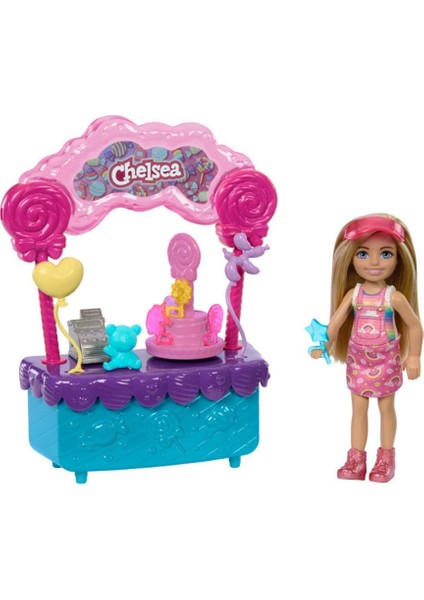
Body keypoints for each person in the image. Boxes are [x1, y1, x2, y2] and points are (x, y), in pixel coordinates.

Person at [311, 214, 422, 482]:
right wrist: (324, 344)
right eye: (363, 253)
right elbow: (335, 324)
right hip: (359, 361)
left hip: (386, 361)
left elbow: (415, 325)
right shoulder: (354, 294)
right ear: (350, 258)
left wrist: (414, 356)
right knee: (358, 409)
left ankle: (385, 459)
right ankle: (356, 459)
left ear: (398, 259)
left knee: (386, 408)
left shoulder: (394, 297)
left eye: (385, 254)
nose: (374, 262)